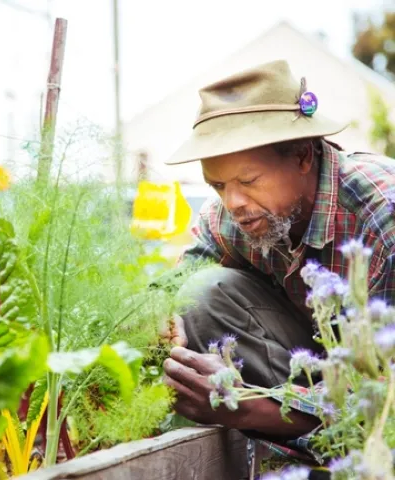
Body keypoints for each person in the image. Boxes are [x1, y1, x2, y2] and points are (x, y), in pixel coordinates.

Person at [160, 59, 395, 465]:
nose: (232, 202)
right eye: (218, 185)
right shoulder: (236, 215)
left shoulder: (382, 218)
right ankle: (295, 448)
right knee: (197, 294)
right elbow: (165, 294)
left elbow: (385, 391)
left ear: (303, 156)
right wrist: (162, 326)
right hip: (320, 378)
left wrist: (250, 407)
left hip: (381, 392)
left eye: (248, 181)